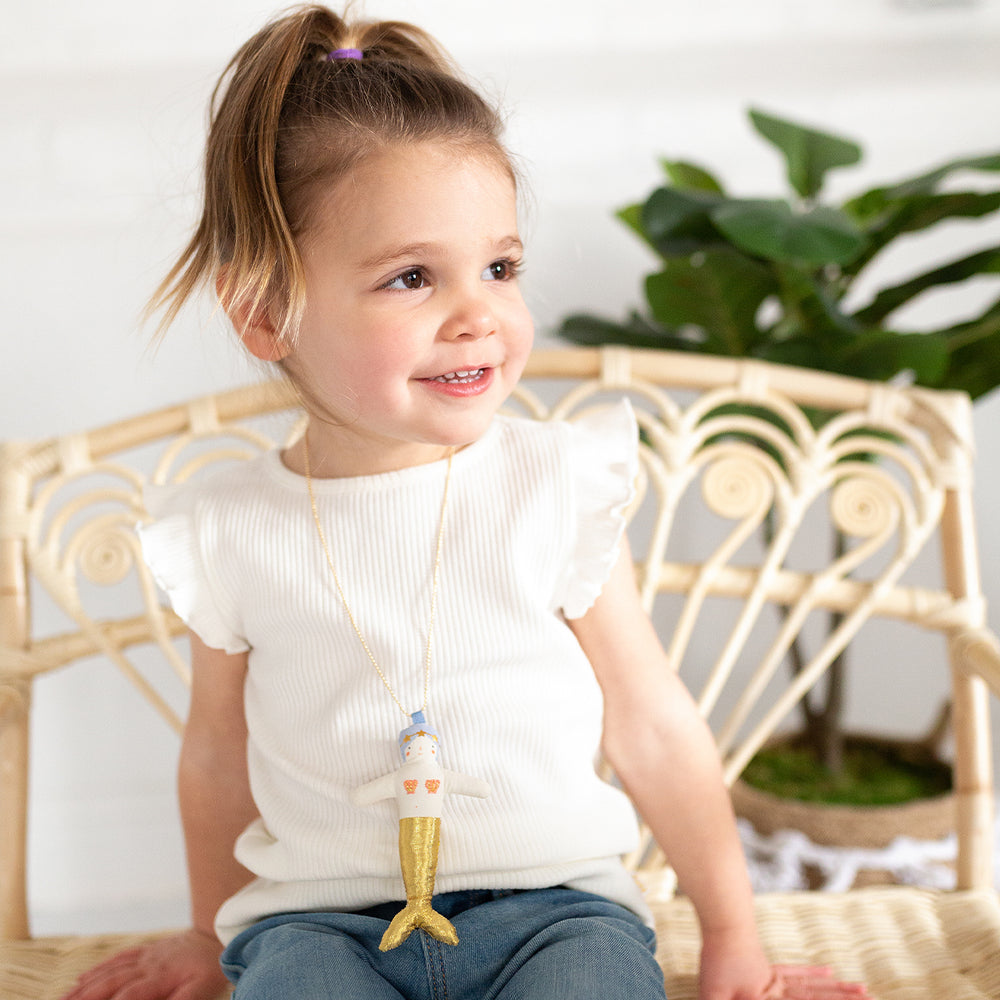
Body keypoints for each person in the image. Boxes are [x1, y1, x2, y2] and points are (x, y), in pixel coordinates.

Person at [63, 7, 871, 1000]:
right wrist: (205, 929)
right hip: (319, 928)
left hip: (560, 913)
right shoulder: (231, 527)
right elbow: (217, 759)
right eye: (412, 277)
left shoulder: (554, 483)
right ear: (267, 312)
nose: (479, 313)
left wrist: (732, 933)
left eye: (499, 266)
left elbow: (650, 722)